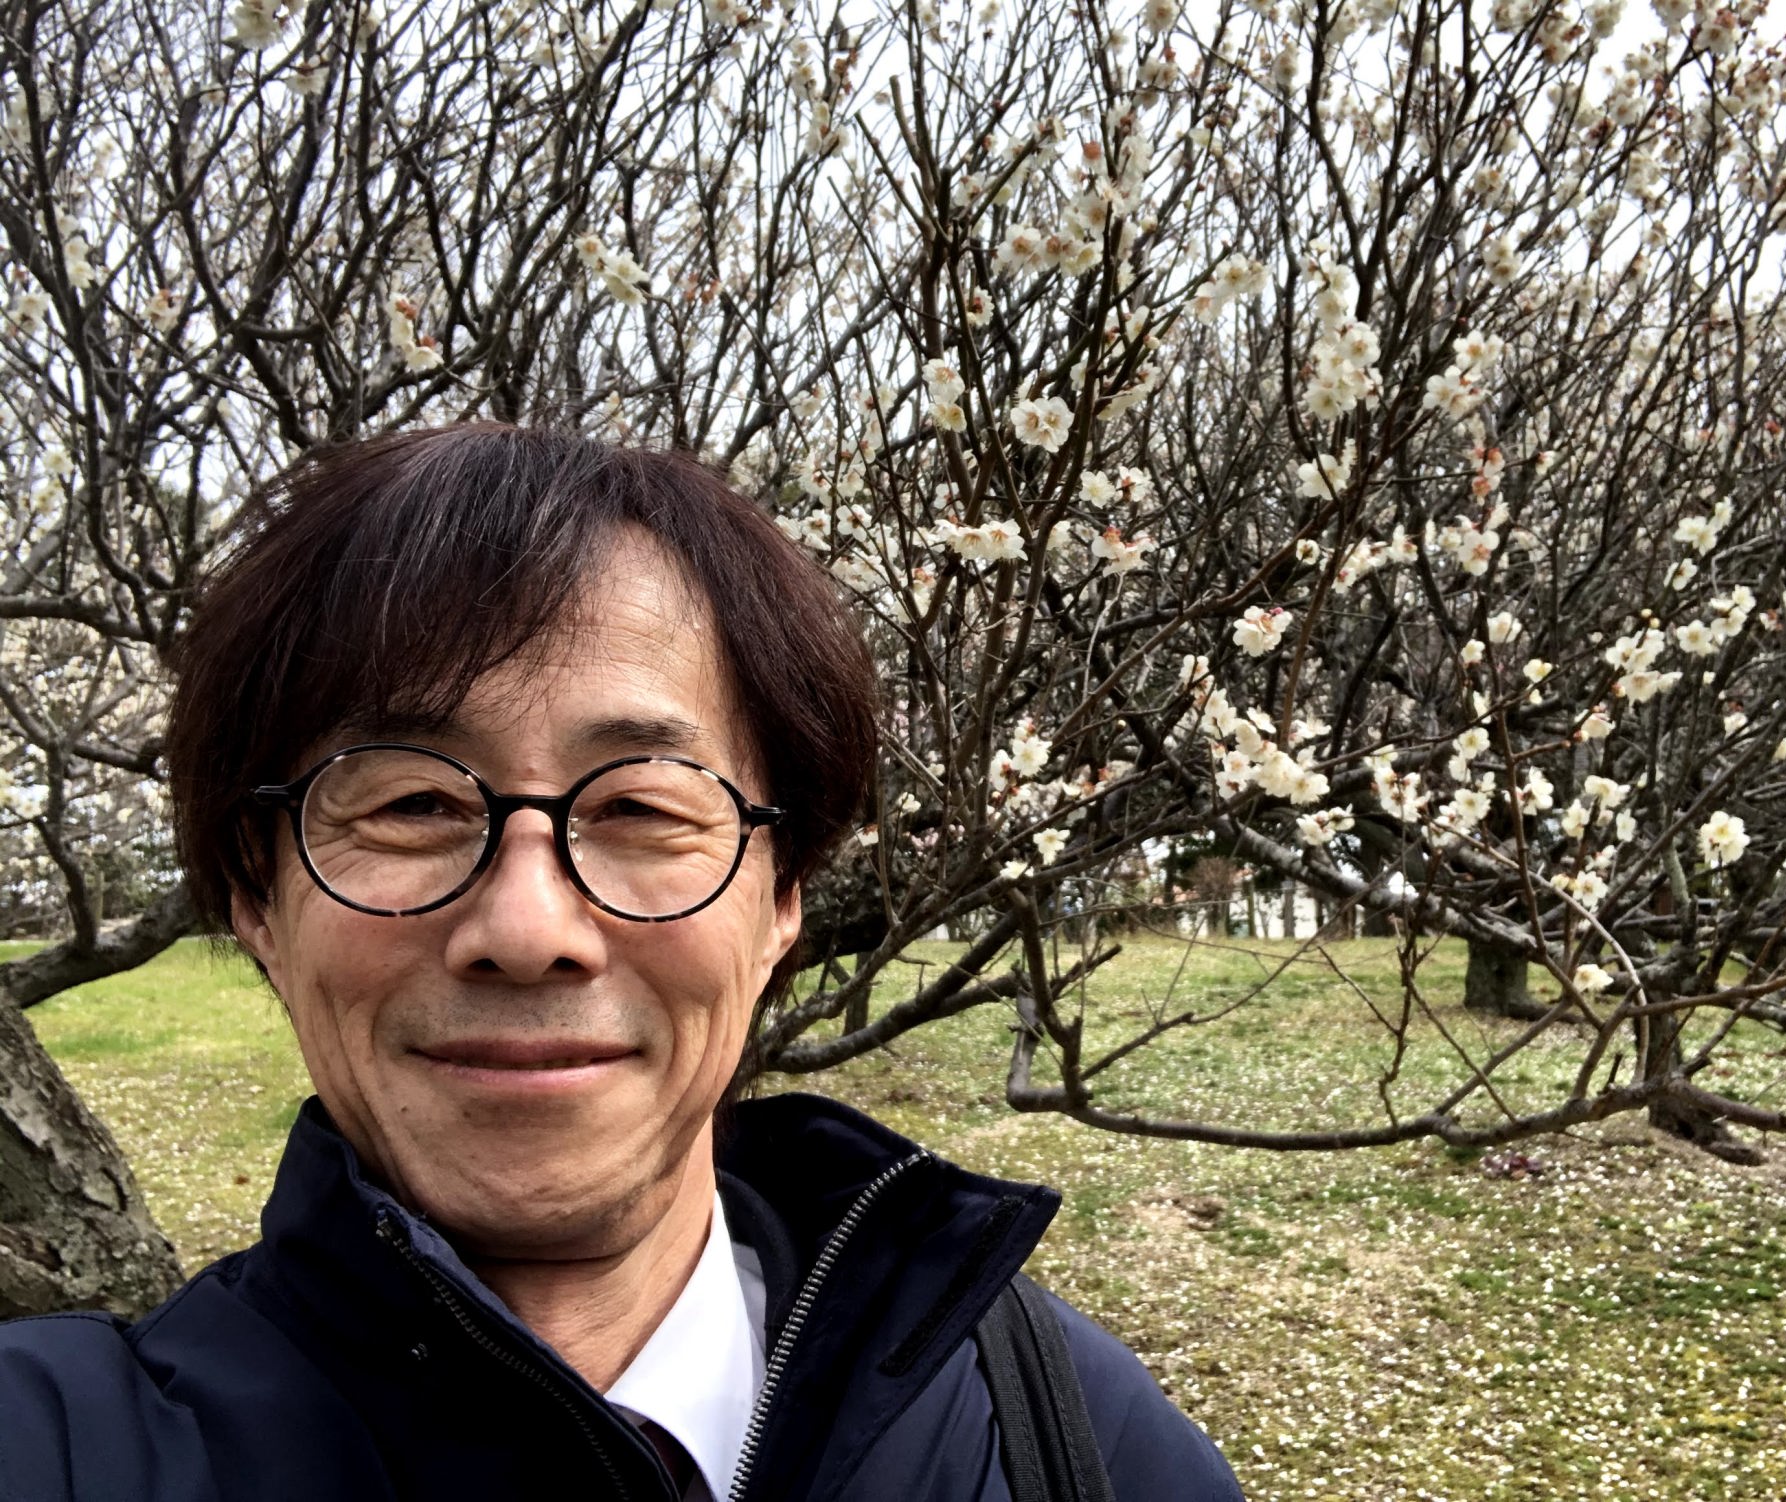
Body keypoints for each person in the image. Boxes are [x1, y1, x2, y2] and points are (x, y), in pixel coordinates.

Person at [0, 424, 1243, 1502]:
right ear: (256, 897)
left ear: (783, 896)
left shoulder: (1063, 1432)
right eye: (412, 803)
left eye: (643, 805)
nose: (528, 925)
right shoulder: (54, 1447)